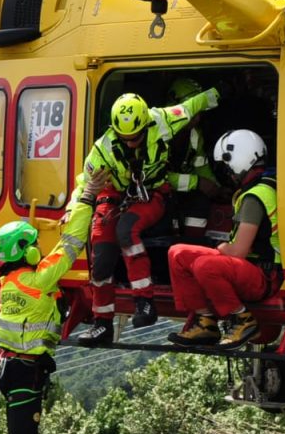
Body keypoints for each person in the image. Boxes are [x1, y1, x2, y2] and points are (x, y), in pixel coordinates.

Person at [72, 84, 221, 346]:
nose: (131, 142)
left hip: (152, 193)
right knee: (103, 256)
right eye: (125, 138)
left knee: (126, 230)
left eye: (136, 137)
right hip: (116, 195)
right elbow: (84, 183)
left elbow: (192, 106)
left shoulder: (162, 120)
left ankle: (144, 301)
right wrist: (71, 209)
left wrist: (221, 91)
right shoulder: (103, 149)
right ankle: (101, 323)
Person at [0, 197, 92, 434]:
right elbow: (69, 246)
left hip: (12, 369)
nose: (40, 250)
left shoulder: (9, 280)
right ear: (29, 252)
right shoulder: (39, 279)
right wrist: (85, 202)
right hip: (24, 373)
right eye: (35, 246)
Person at [166, 129, 281, 349]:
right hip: (247, 268)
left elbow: (238, 251)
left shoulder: (255, 197)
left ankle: (242, 319)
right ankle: (206, 322)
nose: (227, 174)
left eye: (227, 167)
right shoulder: (254, 189)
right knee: (177, 253)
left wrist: (220, 247)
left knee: (205, 265)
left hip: (264, 275)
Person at [164, 78, 223, 242]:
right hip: (158, 194)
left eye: (200, 112)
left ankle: (192, 245)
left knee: (201, 202)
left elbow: (201, 166)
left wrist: (216, 188)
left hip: (181, 191)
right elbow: (156, 178)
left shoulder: (195, 135)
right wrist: (197, 183)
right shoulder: (158, 136)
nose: (197, 118)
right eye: (192, 112)